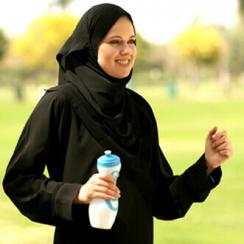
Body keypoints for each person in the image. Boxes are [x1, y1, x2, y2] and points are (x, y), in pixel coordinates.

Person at [2, 3, 233, 244]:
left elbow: (163, 201)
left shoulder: (139, 109)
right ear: (91, 46)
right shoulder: (60, 103)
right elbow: (19, 181)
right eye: (115, 41)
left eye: (131, 41)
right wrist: (77, 194)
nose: (127, 50)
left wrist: (207, 165)